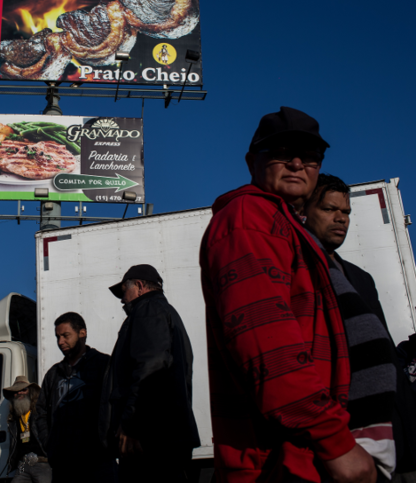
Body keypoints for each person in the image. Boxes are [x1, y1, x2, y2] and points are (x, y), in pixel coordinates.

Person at [199, 106, 378, 483]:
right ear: (252, 161)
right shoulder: (250, 217)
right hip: (276, 460)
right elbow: (266, 340)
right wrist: (334, 441)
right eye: (281, 152)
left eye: (310, 156)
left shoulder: (284, 223)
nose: (297, 163)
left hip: (298, 452)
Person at [304, 174, 414, 480]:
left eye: (346, 212)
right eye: (329, 209)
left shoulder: (360, 277)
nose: (341, 219)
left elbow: (386, 353)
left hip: (384, 428)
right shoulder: (297, 268)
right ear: (304, 212)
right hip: (334, 430)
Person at [102, 264, 200, 483]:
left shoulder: (148, 310)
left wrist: (130, 424)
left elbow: (150, 368)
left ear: (139, 286)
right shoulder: (164, 312)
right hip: (162, 438)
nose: (121, 300)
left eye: (123, 291)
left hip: (150, 441)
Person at [34, 313, 114, 483]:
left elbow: (117, 403)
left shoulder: (104, 365)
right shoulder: (54, 374)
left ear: (82, 333)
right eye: (57, 337)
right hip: (64, 465)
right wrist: (49, 444)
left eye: (65, 335)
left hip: (98, 462)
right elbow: (39, 411)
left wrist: (107, 441)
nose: (60, 342)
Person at [3, 376, 51, 483]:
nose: (19, 393)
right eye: (15, 391)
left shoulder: (41, 413)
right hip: (23, 465)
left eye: (23, 390)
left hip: (42, 463)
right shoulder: (14, 420)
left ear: (30, 392)